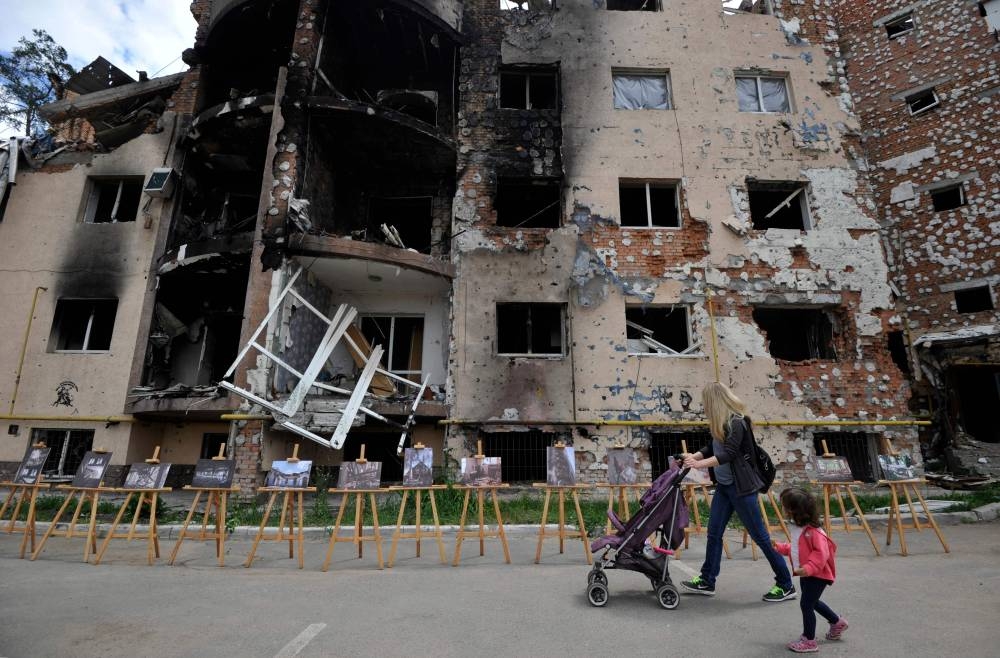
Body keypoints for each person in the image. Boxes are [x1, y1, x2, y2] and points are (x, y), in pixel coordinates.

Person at [680, 381, 796, 602]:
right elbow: (713, 447)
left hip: (741, 489)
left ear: (714, 402)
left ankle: (786, 584)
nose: (704, 406)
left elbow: (729, 454)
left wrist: (699, 465)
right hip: (725, 487)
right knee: (714, 533)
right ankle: (707, 580)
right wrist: (694, 456)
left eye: (706, 402)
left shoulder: (737, 422)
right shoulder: (721, 423)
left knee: (760, 537)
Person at [775, 487, 848, 653]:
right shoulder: (801, 528)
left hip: (818, 575)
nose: (782, 509)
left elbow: (821, 554)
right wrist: (780, 547)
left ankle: (809, 640)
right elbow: (797, 548)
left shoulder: (814, 532)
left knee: (806, 604)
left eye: (784, 506)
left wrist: (808, 568)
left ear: (794, 510)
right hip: (808, 574)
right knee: (812, 602)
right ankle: (837, 622)